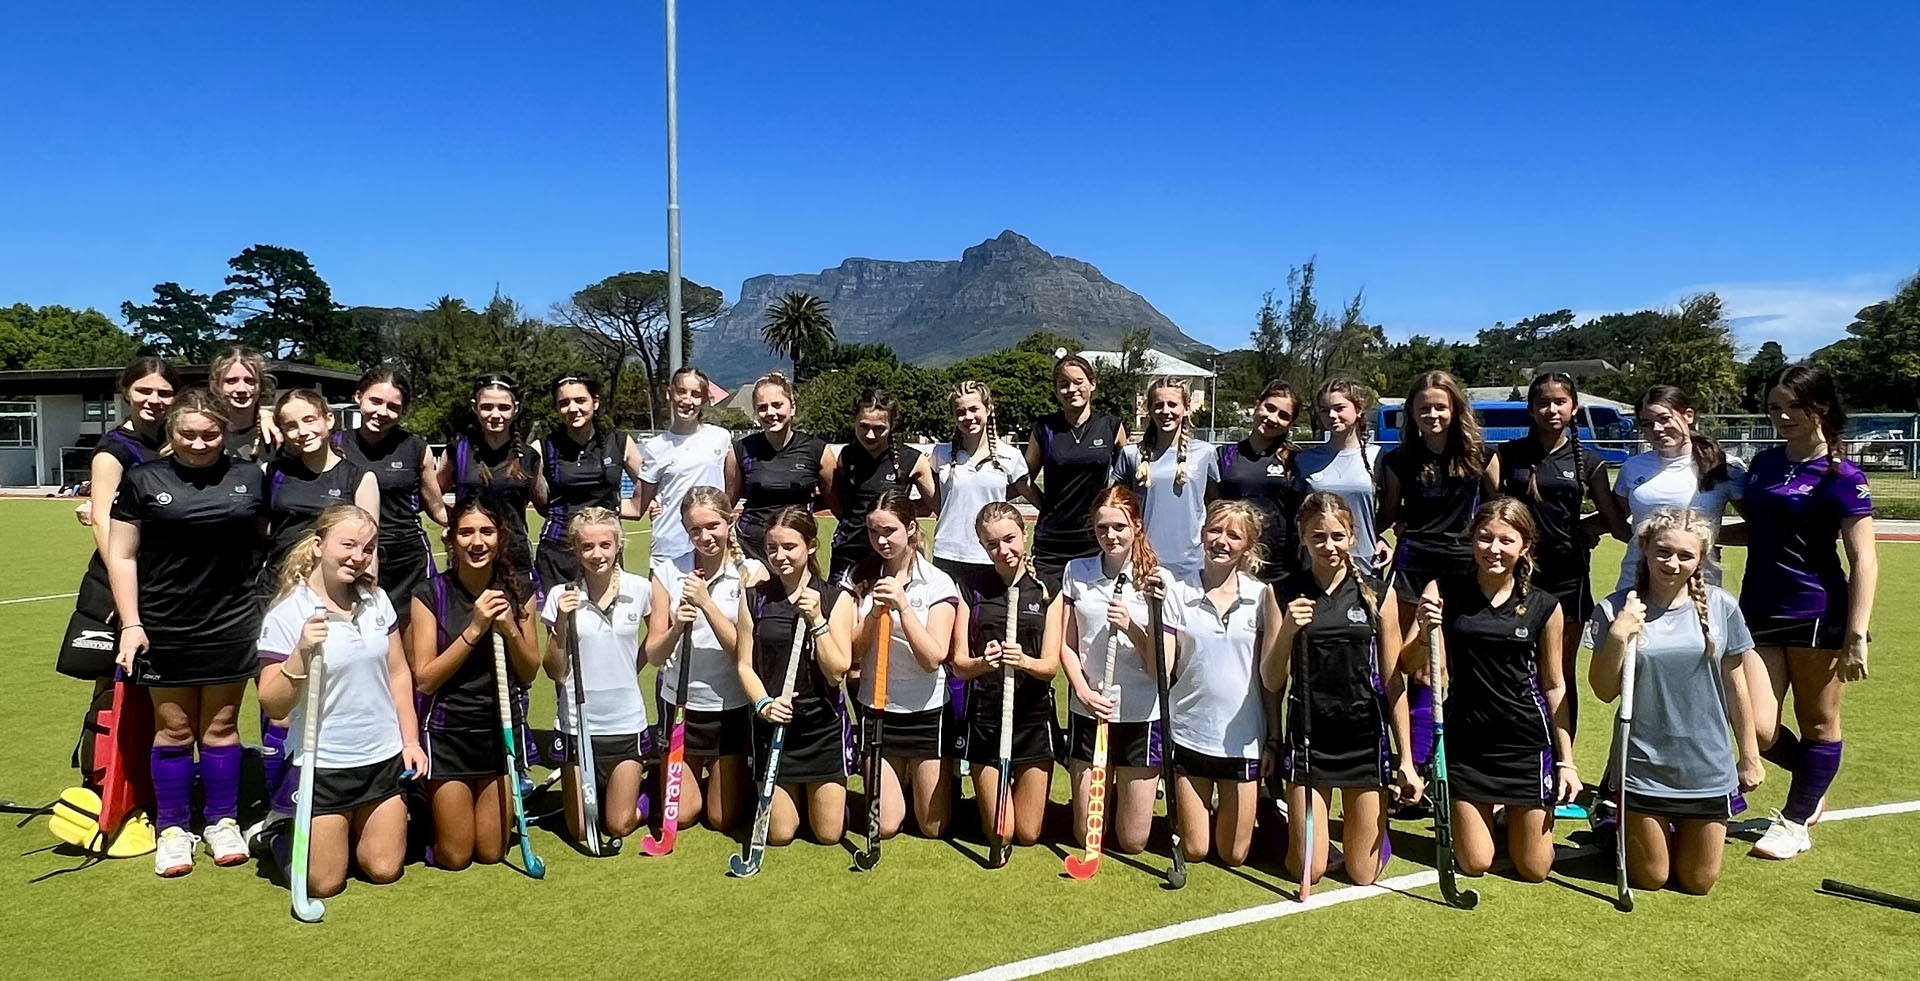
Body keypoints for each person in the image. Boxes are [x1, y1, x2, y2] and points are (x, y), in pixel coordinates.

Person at [105, 390, 269, 876]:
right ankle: (174, 828)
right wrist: (132, 622)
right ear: (172, 434)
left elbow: (267, 541)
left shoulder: (249, 477)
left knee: (220, 729)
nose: (199, 443)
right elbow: (122, 554)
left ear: (225, 432)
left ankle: (222, 822)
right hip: (165, 623)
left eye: (210, 434)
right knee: (173, 730)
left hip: (232, 621)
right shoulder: (142, 479)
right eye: (188, 434)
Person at [1740, 365, 1878, 860]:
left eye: (1792, 407)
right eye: (1774, 407)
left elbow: (1863, 557)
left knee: (1818, 720)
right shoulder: (1763, 463)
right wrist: (1697, 534)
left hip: (1817, 610)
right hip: (1756, 607)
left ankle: (1796, 820)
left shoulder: (1843, 474)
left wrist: (1856, 634)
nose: (1781, 416)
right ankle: (1813, 779)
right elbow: (1759, 531)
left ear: (1819, 407)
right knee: (1757, 726)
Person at [1589, 507, 1763, 894]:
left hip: (1706, 767)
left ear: (1701, 558)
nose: (1672, 563)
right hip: (1642, 765)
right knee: (1652, 878)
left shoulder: (1722, 607)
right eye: (1663, 552)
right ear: (1645, 550)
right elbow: (1603, 691)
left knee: (1698, 882)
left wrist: (1749, 756)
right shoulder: (1613, 608)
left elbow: (1737, 686)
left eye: (1686, 555)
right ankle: (1609, 825)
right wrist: (1618, 635)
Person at [256, 505, 426, 898]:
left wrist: (410, 740)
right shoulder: (288, 612)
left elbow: (399, 673)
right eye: (347, 545)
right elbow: (273, 704)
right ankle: (279, 832)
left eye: (367, 548)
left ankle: (348, 832)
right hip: (323, 763)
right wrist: (299, 651)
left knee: (383, 869)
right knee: (324, 883)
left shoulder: (376, 600)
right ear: (318, 546)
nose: (357, 556)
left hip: (380, 757)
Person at [1408, 499, 1575, 882]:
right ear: (1472, 541)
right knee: (1476, 863)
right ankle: (1478, 810)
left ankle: (1508, 815)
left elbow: (1554, 684)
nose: (1494, 550)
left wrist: (1566, 761)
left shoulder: (1545, 606)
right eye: (1484, 539)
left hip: (1524, 741)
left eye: (1506, 540)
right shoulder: (1445, 591)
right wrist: (1422, 629)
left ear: (1524, 547)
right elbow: (1408, 664)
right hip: (1467, 741)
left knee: (1535, 869)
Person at [1263, 492, 1420, 885]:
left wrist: (1406, 760)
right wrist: (1287, 631)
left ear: (1352, 536)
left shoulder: (1377, 595)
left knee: (1363, 874)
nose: (1328, 546)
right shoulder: (1281, 592)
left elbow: (1392, 678)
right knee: (1308, 870)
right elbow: (1270, 678)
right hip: (1310, 737)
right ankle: (1285, 831)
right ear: (1302, 537)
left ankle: (1370, 838)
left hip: (1363, 738)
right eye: (1318, 537)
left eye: (1337, 536)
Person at [256, 390, 380, 832]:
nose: (302, 432)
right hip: (283, 597)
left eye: (310, 421)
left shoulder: (356, 476)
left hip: (337, 598)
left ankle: (325, 792)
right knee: (280, 705)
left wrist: (365, 599)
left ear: (329, 420)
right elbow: (265, 530)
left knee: (327, 696)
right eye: (291, 425)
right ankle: (279, 808)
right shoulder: (276, 471)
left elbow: (369, 545)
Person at [1487, 372, 1627, 736]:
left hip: (1569, 579)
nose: (1551, 409)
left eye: (1560, 402)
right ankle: (1520, 752)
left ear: (1574, 408)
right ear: (1531, 410)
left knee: (1560, 670)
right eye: (1543, 402)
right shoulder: (1507, 454)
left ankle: (1562, 761)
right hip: (1516, 576)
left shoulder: (1589, 462)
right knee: (1512, 664)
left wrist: (1586, 529)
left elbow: (1613, 520)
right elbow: (1487, 511)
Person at [408, 498, 541, 870]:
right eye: (466, 532)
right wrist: (475, 628)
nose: (477, 542)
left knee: (491, 851)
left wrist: (510, 628)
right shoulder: (430, 593)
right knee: (455, 856)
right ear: (451, 539)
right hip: (450, 733)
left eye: (486, 531)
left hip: (499, 732)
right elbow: (426, 678)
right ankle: (420, 801)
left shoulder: (519, 591)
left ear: (500, 538)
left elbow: (529, 671)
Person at [1379, 371, 1486, 784]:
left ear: (1455, 408)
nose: (1433, 414)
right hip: (1414, 566)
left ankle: (1462, 763)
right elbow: (1388, 514)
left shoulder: (1481, 456)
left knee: (1467, 666)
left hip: (1465, 570)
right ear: (1412, 412)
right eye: (1424, 407)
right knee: (1415, 666)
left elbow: (1497, 513)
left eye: (1441, 406)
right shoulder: (1397, 460)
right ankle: (1418, 767)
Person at [1050, 485, 1164, 855]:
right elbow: (1066, 645)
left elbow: (1160, 664)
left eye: (1120, 527)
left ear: (1137, 528)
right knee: (1087, 836)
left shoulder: (1156, 579)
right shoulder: (1077, 571)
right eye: (1102, 528)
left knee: (1132, 842)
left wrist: (1132, 625)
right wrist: (1082, 691)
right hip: (1090, 710)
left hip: (1140, 714)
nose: (1111, 536)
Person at [733, 507, 856, 846]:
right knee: (781, 835)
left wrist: (817, 619)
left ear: (811, 546)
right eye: (772, 548)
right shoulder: (754, 598)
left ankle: (835, 801)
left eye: (790, 546)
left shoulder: (836, 599)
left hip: (822, 726)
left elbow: (836, 673)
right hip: (774, 726)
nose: (780, 556)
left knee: (829, 834)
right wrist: (763, 704)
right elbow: (744, 664)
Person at [645, 486, 764, 830]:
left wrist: (707, 606)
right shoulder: (668, 572)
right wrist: (675, 628)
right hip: (681, 703)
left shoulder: (752, 573)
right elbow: (654, 654)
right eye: (694, 529)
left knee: (722, 818)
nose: (705, 536)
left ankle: (733, 776)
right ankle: (657, 779)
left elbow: (747, 652)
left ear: (730, 522)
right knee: (681, 816)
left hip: (731, 705)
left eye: (713, 526)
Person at [1156, 501, 1267, 867]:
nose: (1221, 541)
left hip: (1244, 741)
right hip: (1189, 735)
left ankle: (1269, 814)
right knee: (1196, 850)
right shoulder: (1177, 591)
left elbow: (1271, 680)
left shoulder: (1262, 597)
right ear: (1202, 534)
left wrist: (1275, 740)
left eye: (1233, 535)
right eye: (1214, 531)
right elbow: (1163, 664)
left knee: (1234, 855)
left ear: (1247, 546)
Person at [851, 490, 961, 838]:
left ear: (911, 528)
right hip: (878, 710)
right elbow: (852, 653)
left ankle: (938, 776)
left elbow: (933, 658)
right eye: (873, 531)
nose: (881, 540)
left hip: (926, 712)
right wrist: (872, 614)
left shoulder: (938, 582)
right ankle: (901, 778)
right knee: (884, 826)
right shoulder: (859, 578)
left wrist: (903, 606)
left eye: (889, 531)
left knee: (932, 827)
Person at [62, 357, 179, 683]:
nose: (154, 400)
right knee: (116, 687)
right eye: (144, 390)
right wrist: (123, 586)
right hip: (127, 574)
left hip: (164, 575)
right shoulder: (114, 450)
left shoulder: (171, 439)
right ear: (127, 391)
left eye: (164, 393)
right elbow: (102, 521)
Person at [952, 501, 1057, 851]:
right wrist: (984, 662)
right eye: (992, 544)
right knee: (1001, 832)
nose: (1003, 550)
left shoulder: (1047, 588)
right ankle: (983, 800)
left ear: (1024, 534)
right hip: (987, 720)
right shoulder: (971, 587)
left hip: (1031, 720)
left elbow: (1049, 667)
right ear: (982, 545)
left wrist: (1023, 661)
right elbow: (959, 664)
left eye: (1009, 539)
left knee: (1027, 835)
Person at [541, 507, 651, 843]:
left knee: (617, 824)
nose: (597, 554)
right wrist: (561, 622)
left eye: (605, 544)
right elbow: (554, 670)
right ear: (575, 550)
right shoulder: (561, 596)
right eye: (587, 547)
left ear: (619, 544)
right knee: (581, 831)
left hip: (625, 722)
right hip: (578, 725)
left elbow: (656, 641)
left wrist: (631, 665)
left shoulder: (641, 588)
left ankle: (650, 793)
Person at [334, 369, 447, 630]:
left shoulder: (416, 448)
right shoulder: (335, 443)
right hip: (351, 557)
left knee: (411, 646)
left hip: (408, 561)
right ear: (358, 396)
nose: (382, 412)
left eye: (393, 407)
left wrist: (455, 526)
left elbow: (436, 506)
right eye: (375, 401)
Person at [1611, 385, 1746, 591]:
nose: (1656, 429)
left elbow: (1758, 526)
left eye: (1664, 418)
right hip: (1635, 583)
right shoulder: (1632, 467)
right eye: (1647, 424)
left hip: (1700, 587)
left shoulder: (1725, 467)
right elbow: (1612, 519)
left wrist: (1704, 538)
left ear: (1688, 415)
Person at [538, 374, 645, 591]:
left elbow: (649, 483)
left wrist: (624, 508)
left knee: (607, 620)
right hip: (558, 551)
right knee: (560, 621)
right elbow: (537, 499)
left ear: (595, 402)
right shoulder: (543, 447)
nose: (572, 408)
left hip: (604, 550)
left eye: (580, 400)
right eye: (564, 403)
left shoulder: (620, 442)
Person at [827, 389, 938, 583]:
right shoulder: (846, 456)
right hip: (847, 554)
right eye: (863, 426)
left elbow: (933, 505)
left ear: (892, 425)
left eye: (879, 428)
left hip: (890, 557)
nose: (870, 435)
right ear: (854, 422)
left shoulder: (911, 460)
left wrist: (899, 515)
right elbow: (841, 504)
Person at [439, 375, 542, 581]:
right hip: (469, 555)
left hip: (515, 559)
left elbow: (546, 505)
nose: (495, 415)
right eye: (487, 407)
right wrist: (452, 523)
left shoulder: (529, 456)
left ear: (515, 408)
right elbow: (431, 496)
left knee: (518, 614)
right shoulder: (457, 451)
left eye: (503, 407)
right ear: (475, 407)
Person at [1114, 377, 1219, 580]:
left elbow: (1215, 505)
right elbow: (1119, 507)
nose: (1166, 411)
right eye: (1159, 405)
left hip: (1193, 563)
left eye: (1172, 404)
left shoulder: (1205, 453)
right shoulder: (1131, 455)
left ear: (1187, 408)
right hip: (1144, 560)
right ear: (1149, 410)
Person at [929, 380, 1030, 583]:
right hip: (948, 554)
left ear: (988, 408)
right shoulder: (940, 454)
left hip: (991, 553)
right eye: (960, 412)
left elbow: (1029, 494)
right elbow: (934, 500)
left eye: (974, 409)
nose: (968, 417)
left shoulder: (1011, 456)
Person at [637, 366, 735, 573]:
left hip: (711, 546)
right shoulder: (655, 447)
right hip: (669, 547)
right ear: (670, 394)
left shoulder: (721, 437)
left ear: (705, 399)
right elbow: (640, 503)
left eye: (696, 394)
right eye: (681, 391)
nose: (688, 400)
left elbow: (731, 489)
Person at [728, 372, 831, 562]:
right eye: (762, 407)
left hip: (796, 552)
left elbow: (834, 502)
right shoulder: (741, 450)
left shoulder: (817, 450)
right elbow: (728, 503)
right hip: (751, 550)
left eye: (777, 405)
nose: (770, 413)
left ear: (792, 407)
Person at [1216, 380, 1304, 583]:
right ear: (1257, 405)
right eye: (1270, 408)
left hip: (1281, 568)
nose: (1273, 418)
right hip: (1233, 560)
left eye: (1284, 416)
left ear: (1290, 423)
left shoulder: (1295, 460)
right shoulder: (1225, 455)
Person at [1293, 378, 1385, 571]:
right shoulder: (1305, 460)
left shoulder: (1378, 457)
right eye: (1325, 410)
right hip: (1318, 560)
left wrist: (1386, 538)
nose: (1332, 415)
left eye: (1340, 408)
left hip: (1364, 560)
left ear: (1358, 409)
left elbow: (1391, 508)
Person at [207, 345, 278, 464]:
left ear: (261, 385)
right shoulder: (203, 433)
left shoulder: (276, 431)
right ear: (216, 385)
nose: (241, 389)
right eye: (231, 381)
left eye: (250, 381)